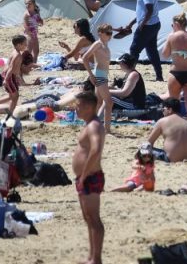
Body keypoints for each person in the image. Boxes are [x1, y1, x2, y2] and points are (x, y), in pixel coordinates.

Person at [73, 91, 106, 264]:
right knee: (88, 218)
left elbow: (96, 149)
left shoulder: (94, 126)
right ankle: (92, 257)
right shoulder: (88, 124)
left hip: (90, 176)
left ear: (88, 106)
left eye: (78, 106)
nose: (75, 109)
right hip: (85, 176)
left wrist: (84, 174)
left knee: (94, 218)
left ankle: (97, 259)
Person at [117, 0, 163, 81]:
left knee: (134, 50)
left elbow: (149, 10)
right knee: (152, 51)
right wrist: (132, 23)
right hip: (153, 24)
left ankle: (130, 74)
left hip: (147, 26)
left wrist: (142, 24)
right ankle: (159, 75)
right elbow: (142, 13)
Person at [81, 23, 114, 132]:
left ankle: (90, 125)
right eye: (108, 33)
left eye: (110, 33)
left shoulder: (104, 44)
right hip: (99, 74)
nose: (110, 35)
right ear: (100, 33)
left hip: (102, 74)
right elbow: (85, 58)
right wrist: (91, 75)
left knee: (99, 102)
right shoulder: (98, 44)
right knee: (109, 102)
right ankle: (107, 129)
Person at [147, 98, 187, 162]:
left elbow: (149, 143)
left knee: (144, 148)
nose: (163, 113)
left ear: (170, 110)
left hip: (170, 158)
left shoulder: (162, 121)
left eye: (163, 110)